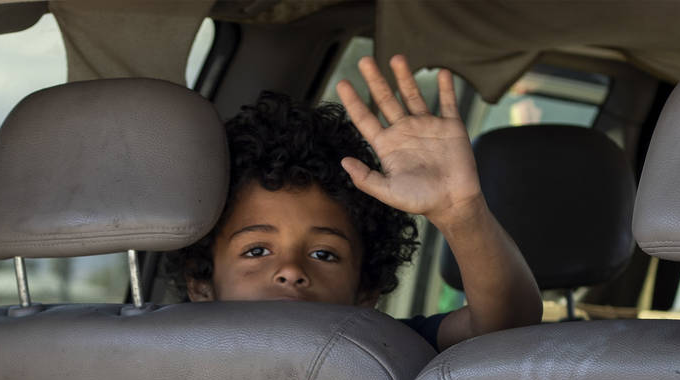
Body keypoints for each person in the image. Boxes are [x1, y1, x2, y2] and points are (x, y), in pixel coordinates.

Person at [171, 54, 542, 351]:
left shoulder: (383, 351)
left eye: (324, 255)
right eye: (256, 251)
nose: (290, 270)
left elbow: (506, 323)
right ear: (202, 284)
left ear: (365, 292)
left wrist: (459, 213)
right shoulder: (157, 358)